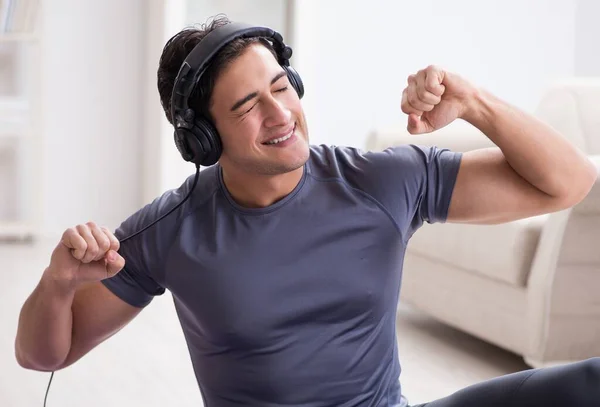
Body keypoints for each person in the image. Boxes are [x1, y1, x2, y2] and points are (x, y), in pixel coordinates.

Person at [15, 14, 600, 407]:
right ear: (204, 140)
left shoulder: (380, 180)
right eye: (247, 104)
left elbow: (569, 183)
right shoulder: (171, 229)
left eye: (281, 86)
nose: (280, 114)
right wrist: (57, 282)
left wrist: (474, 102)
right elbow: (47, 354)